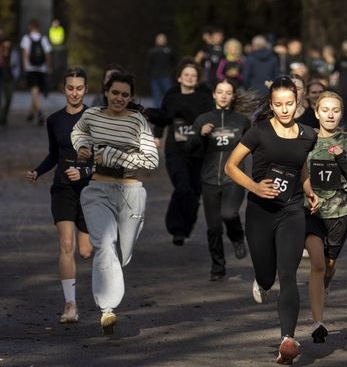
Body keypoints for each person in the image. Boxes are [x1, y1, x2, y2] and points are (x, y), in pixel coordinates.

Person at [223, 77, 320, 364]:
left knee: (288, 274)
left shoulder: (307, 134)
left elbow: (300, 166)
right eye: (278, 105)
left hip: (291, 210)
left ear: (298, 102)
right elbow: (231, 166)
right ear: (271, 105)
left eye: (289, 104)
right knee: (267, 276)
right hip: (260, 212)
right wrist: (254, 187)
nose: (285, 110)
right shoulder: (259, 132)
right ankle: (261, 282)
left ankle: (287, 339)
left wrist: (308, 189)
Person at [71, 71, 159, 334]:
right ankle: (107, 309)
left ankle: (109, 298)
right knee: (104, 244)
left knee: (122, 254)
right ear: (106, 92)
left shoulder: (137, 121)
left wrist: (113, 156)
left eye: (125, 94)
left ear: (131, 97)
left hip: (130, 193)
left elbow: (151, 161)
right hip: (98, 189)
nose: (119, 98)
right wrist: (83, 146)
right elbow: (78, 132)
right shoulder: (92, 115)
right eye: (114, 93)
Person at [25, 68, 93, 323]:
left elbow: (104, 157)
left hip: (90, 190)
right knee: (66, 245)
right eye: (70, 88)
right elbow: (54, 154)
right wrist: (38, 171)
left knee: (86, 251)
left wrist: (86, 170)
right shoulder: (54, 120)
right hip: (62, 188)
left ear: (86, 90)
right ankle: (70, 305)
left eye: (79, 88)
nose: (74, 92)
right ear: (64, 89)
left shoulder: (95, 118)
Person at [303, 91, 347, 344]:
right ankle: (318, 321)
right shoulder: (306, 139)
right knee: (317, 263)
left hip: (340, 211)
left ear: (341, 113)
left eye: (336, 110)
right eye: (325, 110)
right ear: (317, 113)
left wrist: (342, 157)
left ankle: (325, 285)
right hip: (310, 209)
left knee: (328, 266)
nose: (330, 114)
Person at [188, 80, 251, 281]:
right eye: (220, 92)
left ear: (233, 96)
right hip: (209, 179)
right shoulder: (202, 119)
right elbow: (189, 148)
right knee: (213, 227)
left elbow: (254, 147)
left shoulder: (242, 121)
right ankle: (217, 267)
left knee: (229, 214)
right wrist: (200, 134)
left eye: (228, 92)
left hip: (234, 177)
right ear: (214, 95)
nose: (224, 96)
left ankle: (237, 237)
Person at [147, 61, 214, 245]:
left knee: (194, 191)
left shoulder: (205, 98)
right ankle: (176, 227)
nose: (190, 78)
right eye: (186, 75)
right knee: (182, 186)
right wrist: (157, 135)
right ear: (179, 78)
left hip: (199, 151)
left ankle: (186, 227)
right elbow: (162, 115)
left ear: (197, 79)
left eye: (193, 75)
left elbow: (212, 118)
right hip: (176, 150)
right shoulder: (172, 96)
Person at [20, 19, 54, 125]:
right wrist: (49, 66)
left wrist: (25, 66)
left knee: (34, 90)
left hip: (31, 68)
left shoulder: (26, 38)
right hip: (42, 68)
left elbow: (25, 53)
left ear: (30, 27)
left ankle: (39, 112)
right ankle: (31, 113)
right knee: (37, 92)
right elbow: (48, 54)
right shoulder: (43, 38)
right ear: (39, 27)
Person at [147, 33, 174, 106]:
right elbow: (149, 64)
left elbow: (173, 62)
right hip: (155, 76)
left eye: (163, 39)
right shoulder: (152, 51)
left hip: (166, 75)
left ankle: (170, 108)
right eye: (160, 39)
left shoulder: (169, 50)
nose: (161, 40)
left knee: (169, 94)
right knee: (156, 95)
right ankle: (157, 112)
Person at [0, 35, 17, 125]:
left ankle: (4, 116)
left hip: (9, 78)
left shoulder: (13, 53)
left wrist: (15, 76)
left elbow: (16, 66)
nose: (6, 46)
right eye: (5, 44)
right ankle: (1, 117)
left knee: (9, 99)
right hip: (1, 78)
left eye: (8, 45)